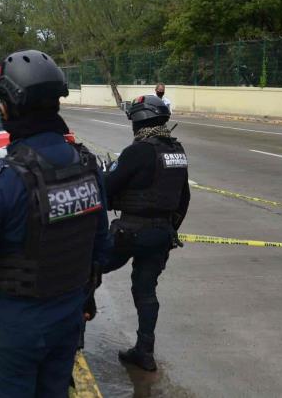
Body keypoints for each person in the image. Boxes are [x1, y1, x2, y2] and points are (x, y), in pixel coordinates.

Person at [0, 49, 109, 397]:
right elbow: (101, 250)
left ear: (8, 107)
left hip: (13, 330)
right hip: (67, 321)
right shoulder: (88, 168)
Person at [103, 94, 190, 371]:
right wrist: (169, 230)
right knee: (145, 288)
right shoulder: (177, 151)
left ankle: (75, 336)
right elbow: (184, 199)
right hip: (161, 234)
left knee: (88, 267)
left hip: (130, 232)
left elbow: (107, 188)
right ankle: (145, 351)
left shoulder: (137, 151)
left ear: (137, 121)